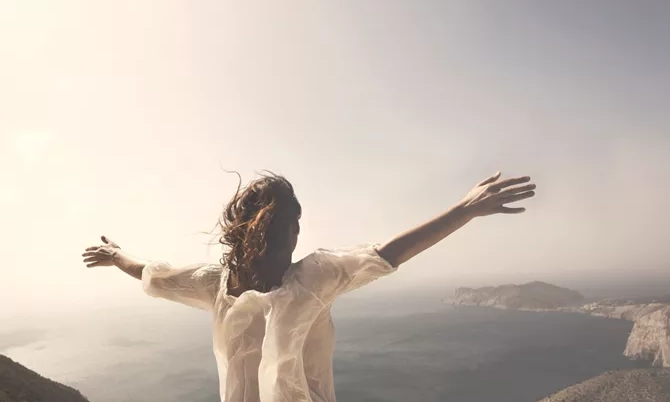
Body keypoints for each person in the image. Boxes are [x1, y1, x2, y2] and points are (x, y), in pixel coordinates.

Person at [81, 171, 535, 402]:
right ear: (289, 232)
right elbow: (391, 252)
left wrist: (117, 256)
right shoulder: (310, 277)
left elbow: (151, 273)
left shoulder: (217, 284)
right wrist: (465, 209)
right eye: (294, 224)